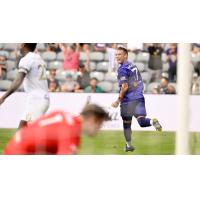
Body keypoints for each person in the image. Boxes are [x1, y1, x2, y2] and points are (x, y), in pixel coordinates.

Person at [3, 104, 110, 155]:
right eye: (99, 124)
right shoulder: (71, 129)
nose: (99, 129)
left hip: (15, 147)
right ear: (92, 119)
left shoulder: (64, 117)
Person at [111, 46, 162, 152]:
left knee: (126, 124)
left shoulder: (123, 69)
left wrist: (118, 100)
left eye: (119, 54)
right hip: (139, 97)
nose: (117, 56)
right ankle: (152, 122)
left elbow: (124, 86)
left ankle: (129, 145)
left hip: (128, 101)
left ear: (126, 55)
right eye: (116, 54)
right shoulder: (132, 66)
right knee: (142, 121)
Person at [0, 43, 50, 129]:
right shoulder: (38, 58)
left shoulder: (27, 59)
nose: (17, 44)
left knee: (33, 132)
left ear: (23, 45)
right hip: (41, 98)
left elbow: (18, 80)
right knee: (23, 128)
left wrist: (4, 97)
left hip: (36, 100)